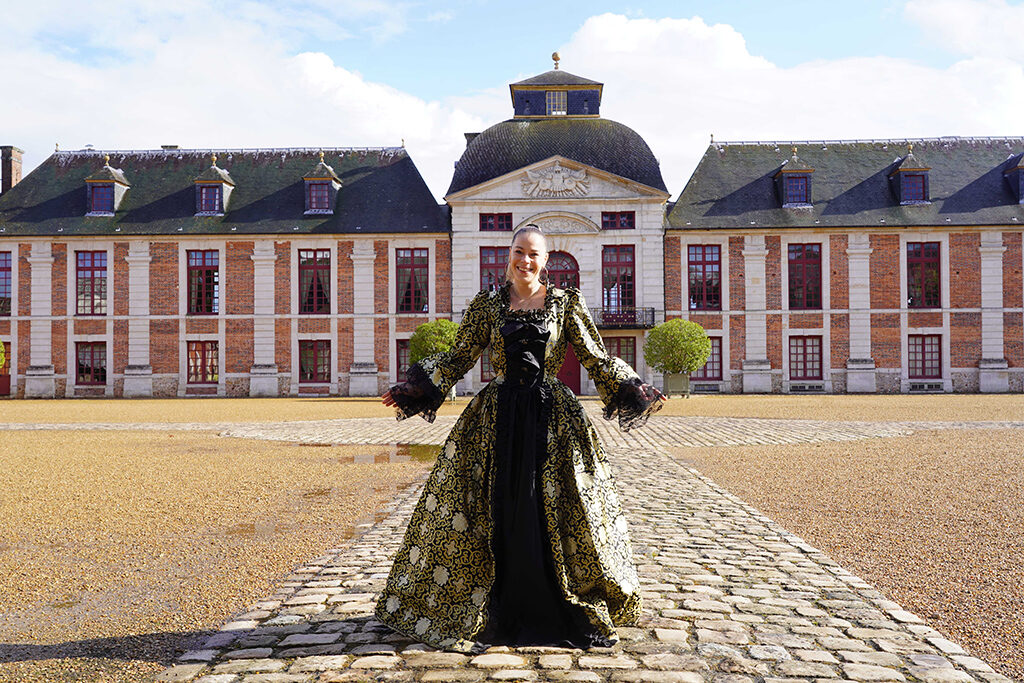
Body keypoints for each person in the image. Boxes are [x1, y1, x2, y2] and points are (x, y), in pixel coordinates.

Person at [377, 225, 666, 652]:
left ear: (545, 261)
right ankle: (495, 603)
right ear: (508, 255)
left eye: (534, 254)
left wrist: (631, 387)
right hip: (498, 418)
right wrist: (417, 388)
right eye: (518, 252)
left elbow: (594, 355)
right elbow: (461, 354)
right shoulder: (488, 304)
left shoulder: (565, 303)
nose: (525, 261)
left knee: (555, 505)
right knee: (499, 504)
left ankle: (559, 602)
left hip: (552, 419)